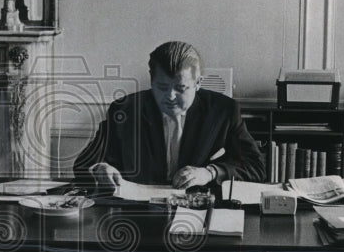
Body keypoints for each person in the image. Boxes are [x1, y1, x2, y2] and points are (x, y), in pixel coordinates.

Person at [74, 41, 265, 189]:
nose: (170, 97)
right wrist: (99, 169)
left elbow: (255, 167)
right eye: (162, 87)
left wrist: (210, 173)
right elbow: (83, 164)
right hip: (138, 214)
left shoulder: (223, 111)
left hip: (197, 209)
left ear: (198, 83)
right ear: (152, 80)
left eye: (181, 88)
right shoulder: (125, 109)